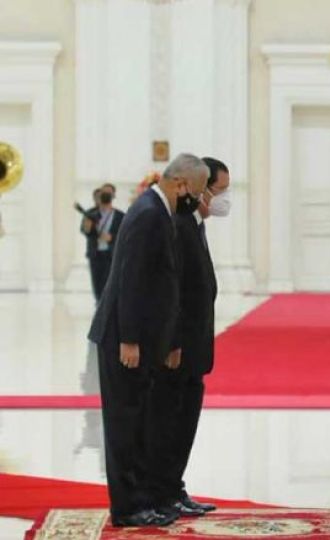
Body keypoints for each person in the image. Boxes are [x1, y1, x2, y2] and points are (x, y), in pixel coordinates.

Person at [87, 153, 209, 528]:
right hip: (124, 340)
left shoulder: (158, 210)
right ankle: (127, 508)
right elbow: (131, 279)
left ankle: (141, 500)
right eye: (200, 191)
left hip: (140, 338)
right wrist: (129, 339)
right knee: (125, 425)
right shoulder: (149, 214)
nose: (200, 200)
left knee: (138, 422)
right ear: (181, 184)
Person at [146, 157, 229, 518]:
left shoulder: (194, 225)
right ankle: (162, 493)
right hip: (179, 351)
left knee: (184, 426)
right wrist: (174, 343)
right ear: (199, 190)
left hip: (196, 350)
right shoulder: (178, 225)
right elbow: (171, 292)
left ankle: (174, 489)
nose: (223, 200)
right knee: (170, 424)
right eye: (219, 191)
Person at [81, 184, 124, 301]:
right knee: (97, 284)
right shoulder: (90, 213)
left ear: (113, 195)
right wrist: (87, 226)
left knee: (109, 284)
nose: (105, 195)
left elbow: (124, 235)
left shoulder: (120, 216)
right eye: (103, 192)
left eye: (108, 193)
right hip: (95, 254)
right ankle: (99, 305)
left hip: (111, 255)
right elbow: (85, 230)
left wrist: (112, 238)